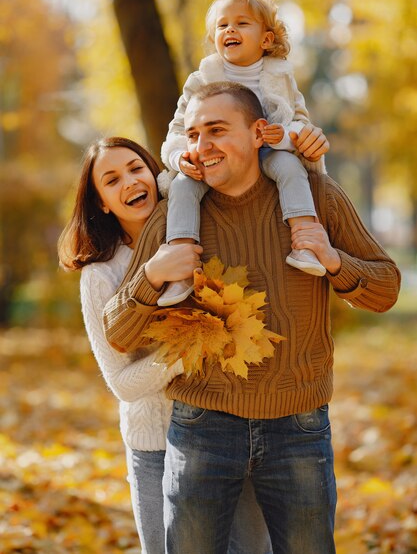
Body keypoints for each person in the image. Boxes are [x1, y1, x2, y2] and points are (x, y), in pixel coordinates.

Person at [102, 83, 401, 554]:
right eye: (195, 135)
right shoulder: (175, 219)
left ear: (260, 132)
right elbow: (117, 333)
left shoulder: (317, 198)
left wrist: (335, 260)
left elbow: (386, 289)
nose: (203, 147)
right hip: (201, 425)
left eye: (217, 131)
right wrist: (152, 275)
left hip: (298, 425)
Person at [57, 136, 273, 554]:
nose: (129, 182)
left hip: (228, 426)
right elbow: (123, 384)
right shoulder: (100, 276)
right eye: (112, 179)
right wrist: (187, 346)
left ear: (155, 175)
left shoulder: (199, 229)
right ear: (101, 202)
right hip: (155, 445)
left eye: (136, 169)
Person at [158, 0, 329, 306]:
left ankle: (305, 241)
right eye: (222, 25)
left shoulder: (281, 77)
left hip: (267, 154)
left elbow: (301, 121)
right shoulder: (201, 80)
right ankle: (181, 266)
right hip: (212, 161)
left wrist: (287, 135)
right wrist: (181, 157)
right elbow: (177, 130)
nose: (230, 30)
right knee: (182, 186)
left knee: (291, 168)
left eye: (241, 23)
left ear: (265, 39)